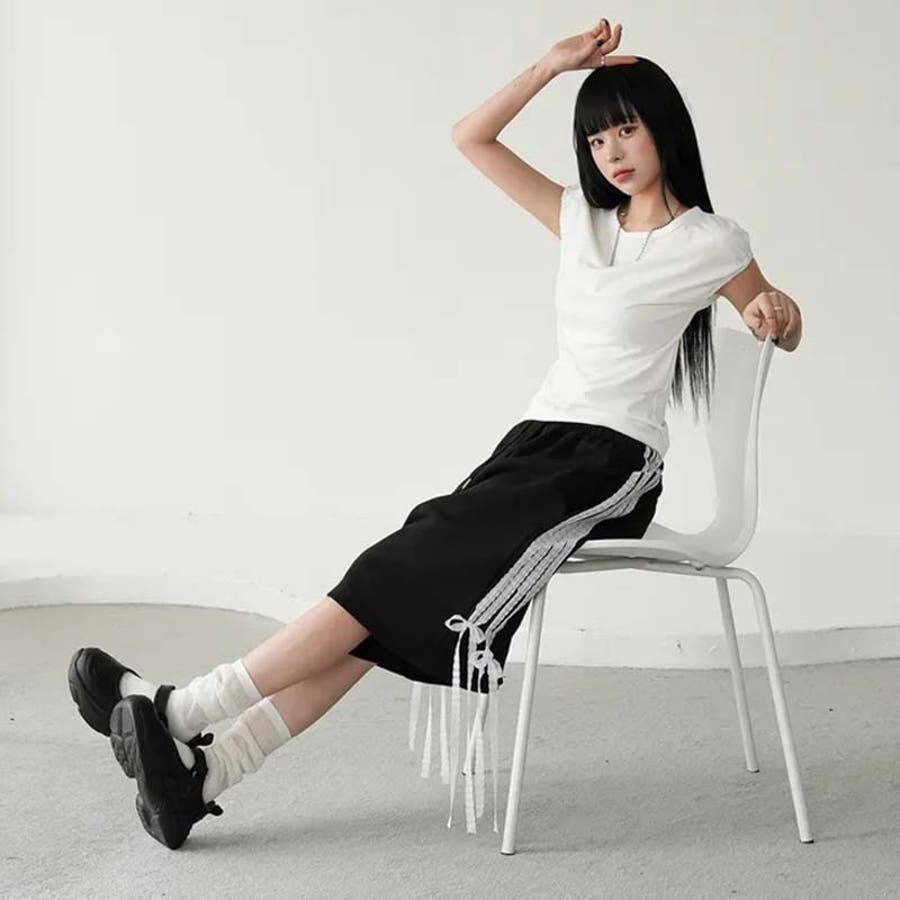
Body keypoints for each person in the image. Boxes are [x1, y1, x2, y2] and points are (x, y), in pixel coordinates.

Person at [67, 17, 803, 850]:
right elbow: (470, 137)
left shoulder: (711, 241)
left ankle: (180, 709)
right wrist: (551, 65)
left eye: (626, 129)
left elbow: (774, 317)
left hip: (610, 466)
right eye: (596, 138)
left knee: (393, 576)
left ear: (663, 125)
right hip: (534, 444)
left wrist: (776, 313)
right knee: (390, 587)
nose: (612, 152)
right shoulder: (581, 222)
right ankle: (204, 773)